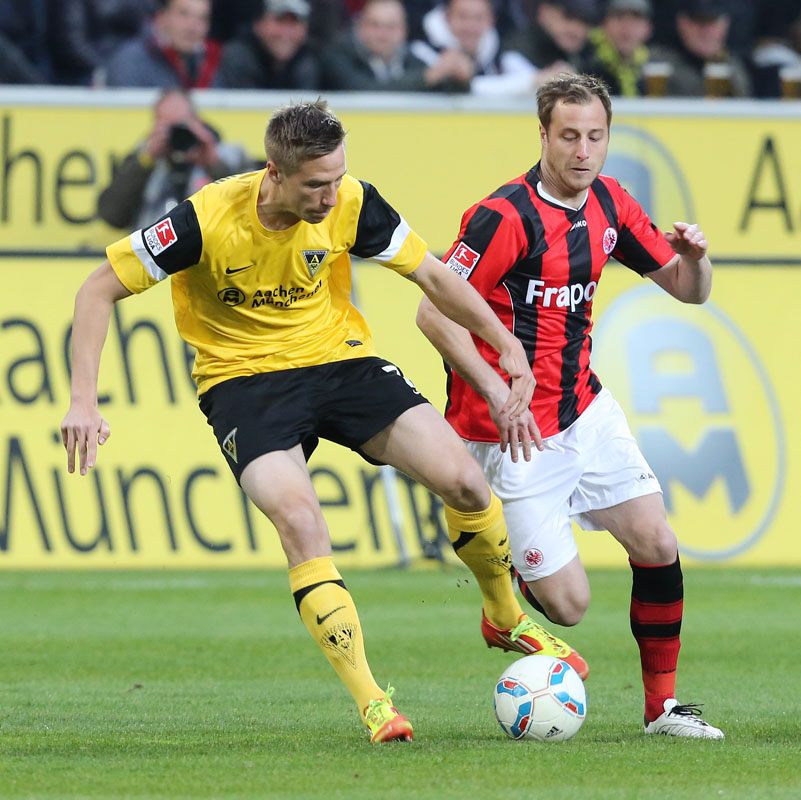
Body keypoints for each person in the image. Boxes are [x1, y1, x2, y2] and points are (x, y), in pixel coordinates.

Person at [62, 99, 587, 743]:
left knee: (467, 483)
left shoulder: (352, 202)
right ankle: (373, 702)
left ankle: (503, 616)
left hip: (340, 364)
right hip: (244, 385)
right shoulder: (206, 219)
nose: (330, 195)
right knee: (301, 521)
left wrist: (503, 343)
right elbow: (97, 289)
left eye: (337, 177)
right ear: (275, 174)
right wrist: (83, 400)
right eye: (316, 184)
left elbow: (432, 275)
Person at [417, 73, 724, 739]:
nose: (583, 151)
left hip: (584, 411)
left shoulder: (611, 202)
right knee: (569, 606)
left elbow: (687, 289)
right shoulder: (503, 217)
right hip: (510, 434)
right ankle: (500, 597)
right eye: (568, 137)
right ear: (542, 136)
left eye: (595, 136)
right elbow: (431, 313)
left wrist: (696, 259)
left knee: (657, 541)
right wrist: (496, 389)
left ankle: (661, 710)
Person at [97, 89, 252, 232]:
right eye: (168, 127)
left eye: (181, 126)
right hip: (154, 250)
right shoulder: (143, 160)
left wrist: (214, 164)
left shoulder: (227, 155)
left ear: (197, 122)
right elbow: (111, 215)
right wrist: (144, 163)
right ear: (155, 127)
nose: (176, 135)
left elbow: (250, 209)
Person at [319, 0, 473, 92]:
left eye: (391, 26)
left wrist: (461, 80)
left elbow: (442, 91)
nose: (383, 34)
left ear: (404, 30)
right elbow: (367, 93)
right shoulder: (337, 57)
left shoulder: (413, 60)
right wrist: (428, 76)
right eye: (375, 25)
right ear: (360, 28)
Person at [410, 0, 539, 96]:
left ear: (491, 20)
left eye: (478, 18)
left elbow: (537, 82)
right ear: (447, 17)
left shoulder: (503, 57)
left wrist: (536, 80)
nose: (470, 26)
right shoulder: (420, 52)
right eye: (463, 17)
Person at [103, 0, 222, 89]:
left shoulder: (212, 61)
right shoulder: (129, 62)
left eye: (203, 18)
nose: (193, 27)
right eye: (183, 14)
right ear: (161, 16)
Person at [647, 0, 752, 97]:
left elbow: (744, 105)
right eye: (700, 23)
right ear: (682, 23)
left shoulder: (732, 66)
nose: (707, 31)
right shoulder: (657, 61)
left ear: (725, 25)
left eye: (713, 23)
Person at [217, 0, 320, 90]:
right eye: (279, 21)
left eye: (294, 23)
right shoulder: (238, 58)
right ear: (258, 25)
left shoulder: (309, 64)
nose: (286, 33)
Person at [503, 0, 597, 79]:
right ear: (544, 12)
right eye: (568, 17)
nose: (577, 30)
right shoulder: (516, 51)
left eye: (585, 22)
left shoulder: (589, 53)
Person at [583, 0, 653, 96]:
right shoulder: (585, 65)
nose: (627, 27)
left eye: (635, 19)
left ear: (648, 28)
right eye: (619, 17)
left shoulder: (658, 66)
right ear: (603, 24)